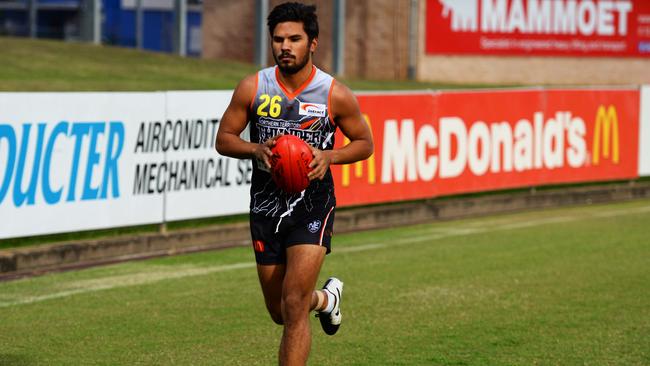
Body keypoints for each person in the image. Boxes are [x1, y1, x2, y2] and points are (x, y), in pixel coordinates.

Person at [215, 2, 373, 365]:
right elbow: (224, 139)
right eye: (278, 39)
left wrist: (328, 157)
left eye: (295, 39)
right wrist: (255, 149)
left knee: (294, 305)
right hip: (265, 206)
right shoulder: (253, 87)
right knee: (279, 311)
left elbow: (366, 144)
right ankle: (328, 299)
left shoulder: (334, 93)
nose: (285, 46)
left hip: (312, 205)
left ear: (313, 43)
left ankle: (312, 302)